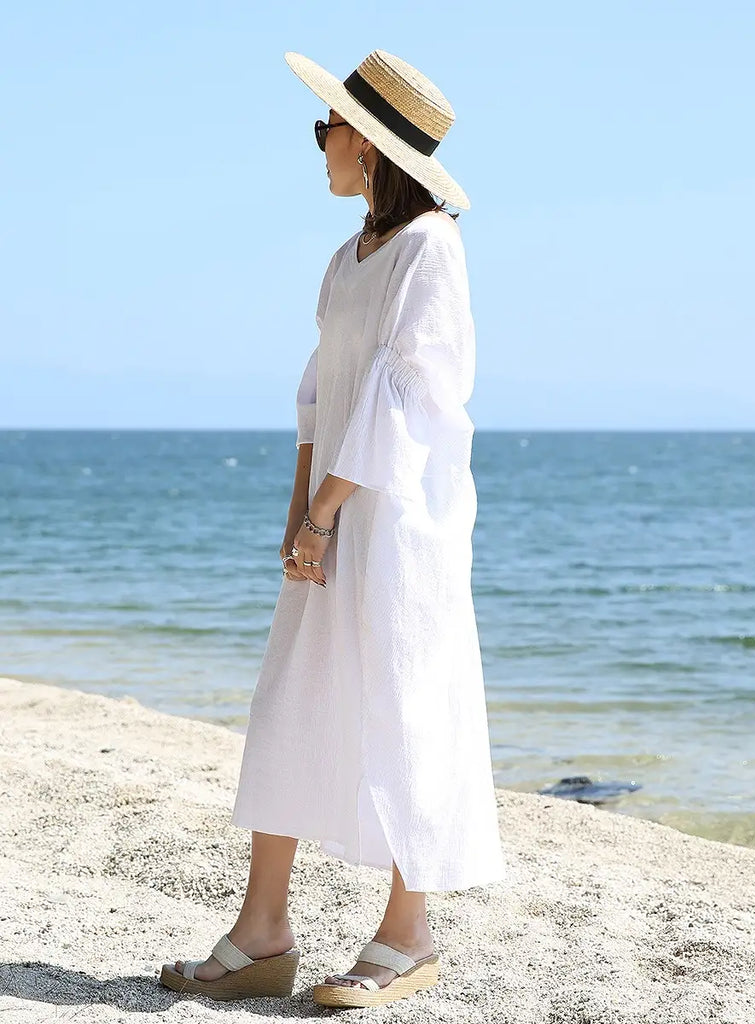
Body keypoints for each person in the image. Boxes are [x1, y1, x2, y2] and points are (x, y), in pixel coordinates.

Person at [160, 48, 506, 1009]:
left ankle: (408, 935)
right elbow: (320, 396)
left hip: (398, 524)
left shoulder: (430, 247)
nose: (319, 145)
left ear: (371, 145)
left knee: (405, 706)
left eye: (328, 129)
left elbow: (408, 399)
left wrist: (325, 511)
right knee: (290, 703)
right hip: (334, 514)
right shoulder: (347, 257)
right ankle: (263, 931)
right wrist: (300, 516)